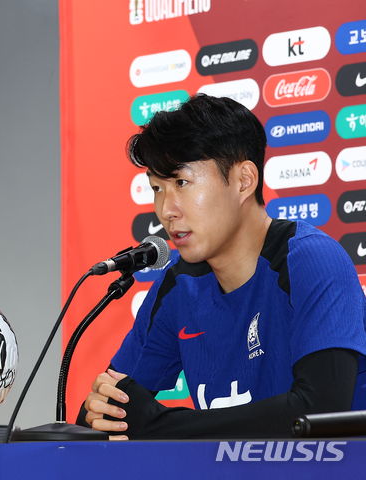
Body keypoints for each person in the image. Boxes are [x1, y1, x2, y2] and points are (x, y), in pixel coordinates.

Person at [77, 94, 366, 439]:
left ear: (244, 180)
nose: (166, 210)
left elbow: (317, 412)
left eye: (181, 183)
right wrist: (100, 411)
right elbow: (111, 408)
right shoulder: (177, 286)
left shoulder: (310, 260)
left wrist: (160, 427)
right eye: (157, 188)